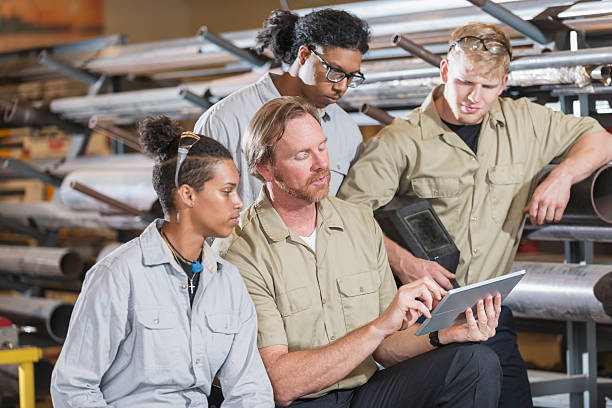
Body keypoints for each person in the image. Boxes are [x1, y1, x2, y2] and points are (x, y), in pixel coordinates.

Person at [337, 23, 612, 408]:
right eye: (465, 82)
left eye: (487, 86)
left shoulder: (526, 123)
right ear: (445, 71)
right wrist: (405, 262)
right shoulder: (401, 140)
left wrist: (563, 176)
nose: (473, 97)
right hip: (421, 320)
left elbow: (601, 139)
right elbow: (345, 218)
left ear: (503, 83)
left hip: (490, 313)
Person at [223, 96, 503, 407]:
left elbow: (385, 348)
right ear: (265, 169)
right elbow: (282, 385)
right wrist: (380, 325)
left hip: (364, 392)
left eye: (322, 147)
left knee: (475, 362)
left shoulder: (358, 222)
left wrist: (449, 333)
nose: (322, 164)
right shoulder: (240, 252)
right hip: (304, 401)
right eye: (303, 155)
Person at [51, 116, 274, 407]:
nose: (239, 202)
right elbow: (73, 388)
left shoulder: (228, 282)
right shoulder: (118, 275)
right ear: (188, 195)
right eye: (227, 191)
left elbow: (250, 389)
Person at [194, 8, 369, 208]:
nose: (342, 86)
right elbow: (198, 213)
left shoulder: (348, 132)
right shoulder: (226, 120)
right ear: (304, 55)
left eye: (351, 76)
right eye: (334, 71)